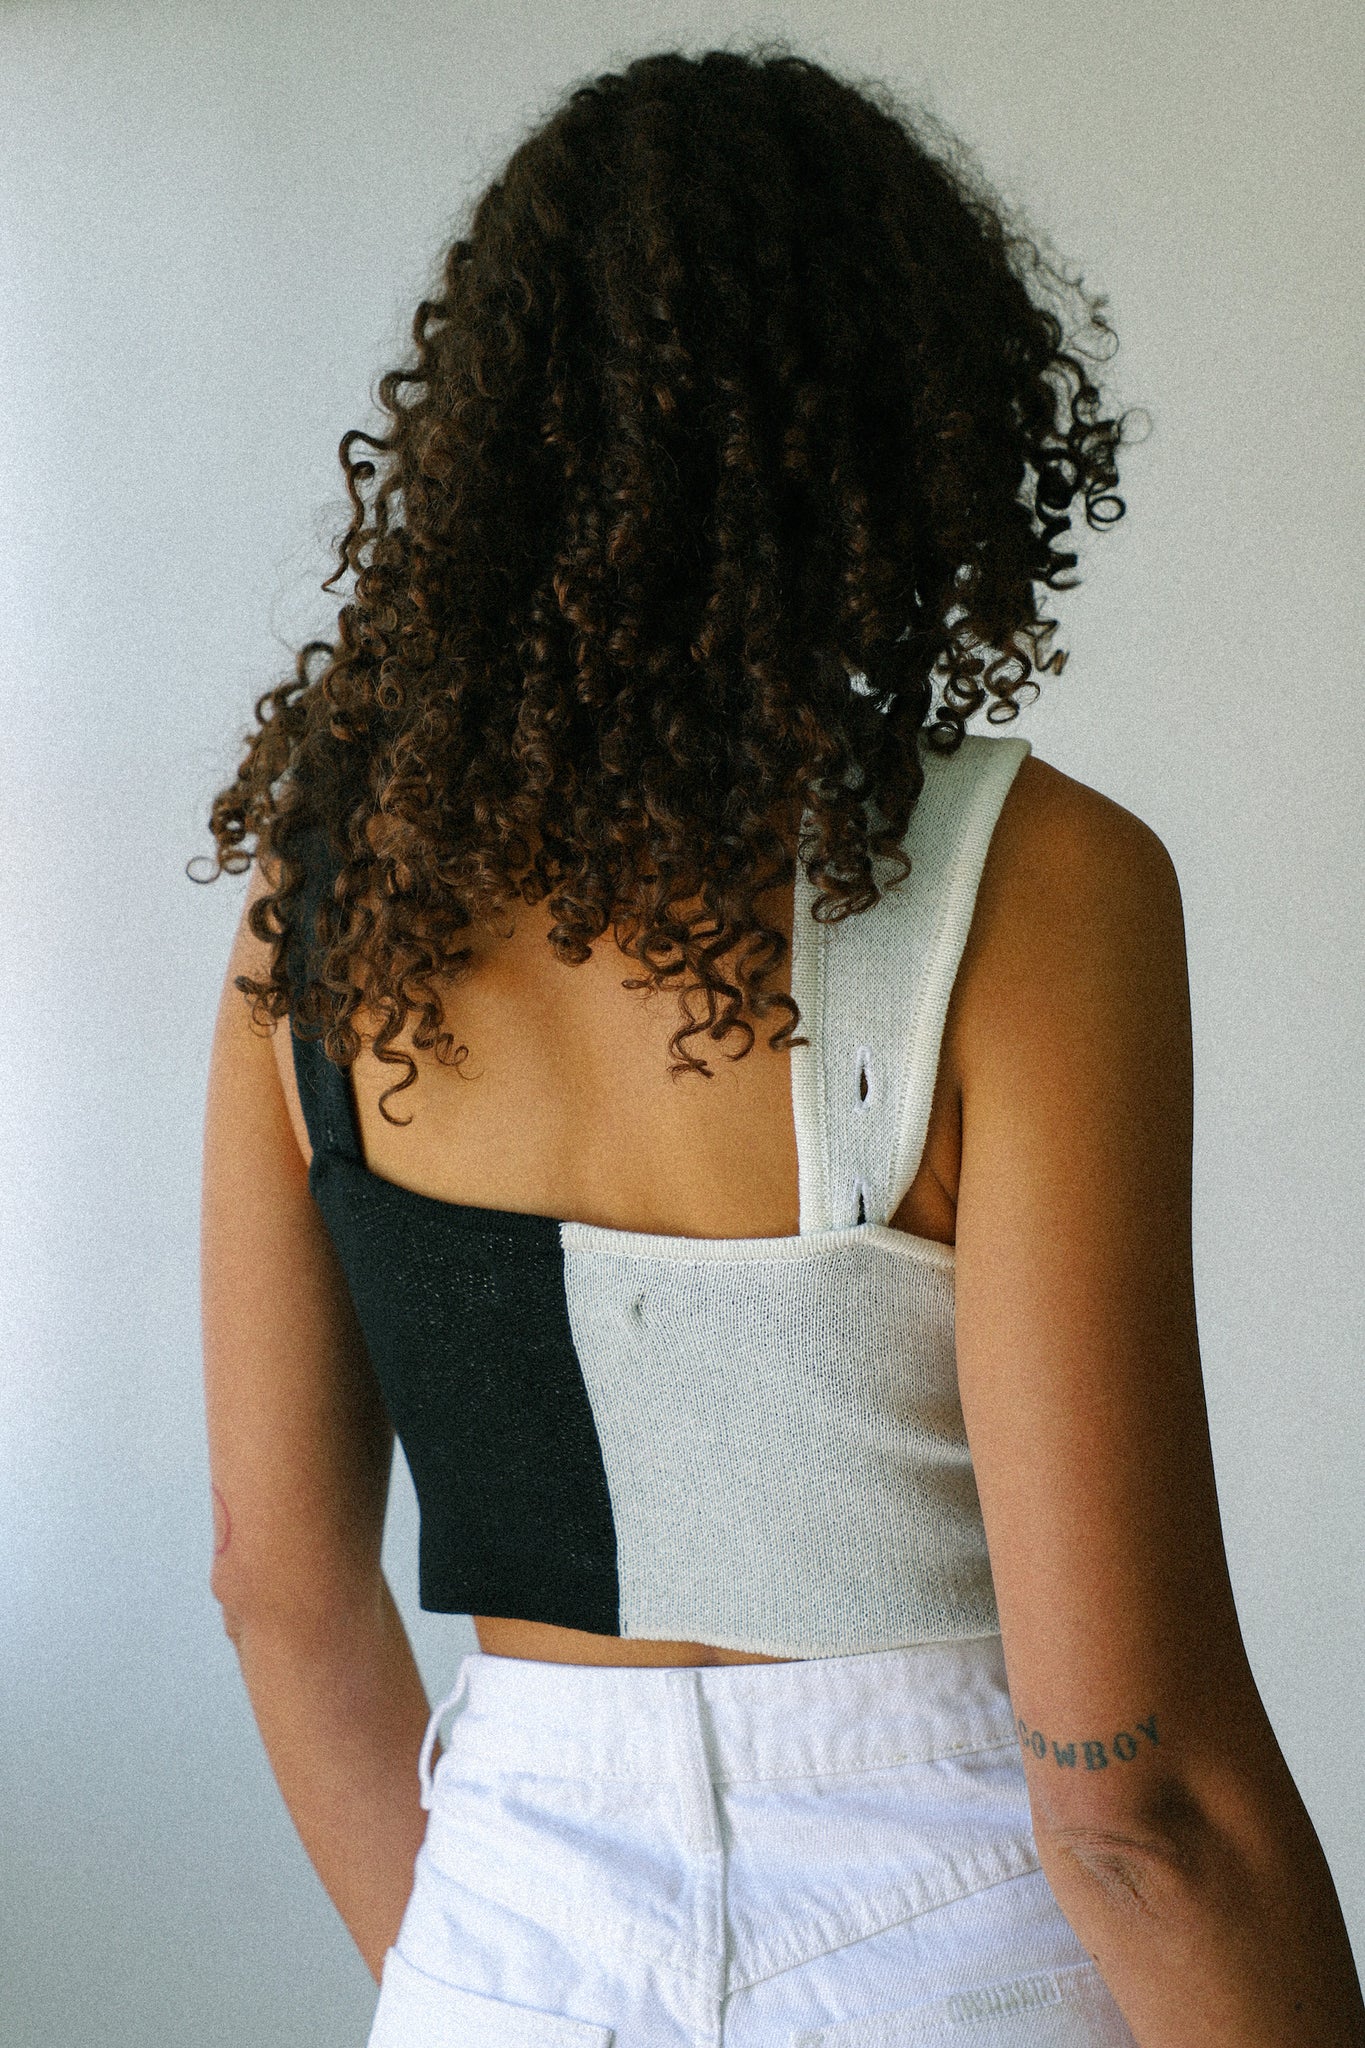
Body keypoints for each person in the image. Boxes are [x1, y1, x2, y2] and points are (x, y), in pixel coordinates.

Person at [198, 45, 1364, 2048]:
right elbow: (1133, 1809)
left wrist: (495, 1968)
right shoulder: (1030, 890)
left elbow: (281, 1591)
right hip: (952, 1937)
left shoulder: (324, 919)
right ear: (915, 429)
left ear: (482, 446)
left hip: (498, 1943)